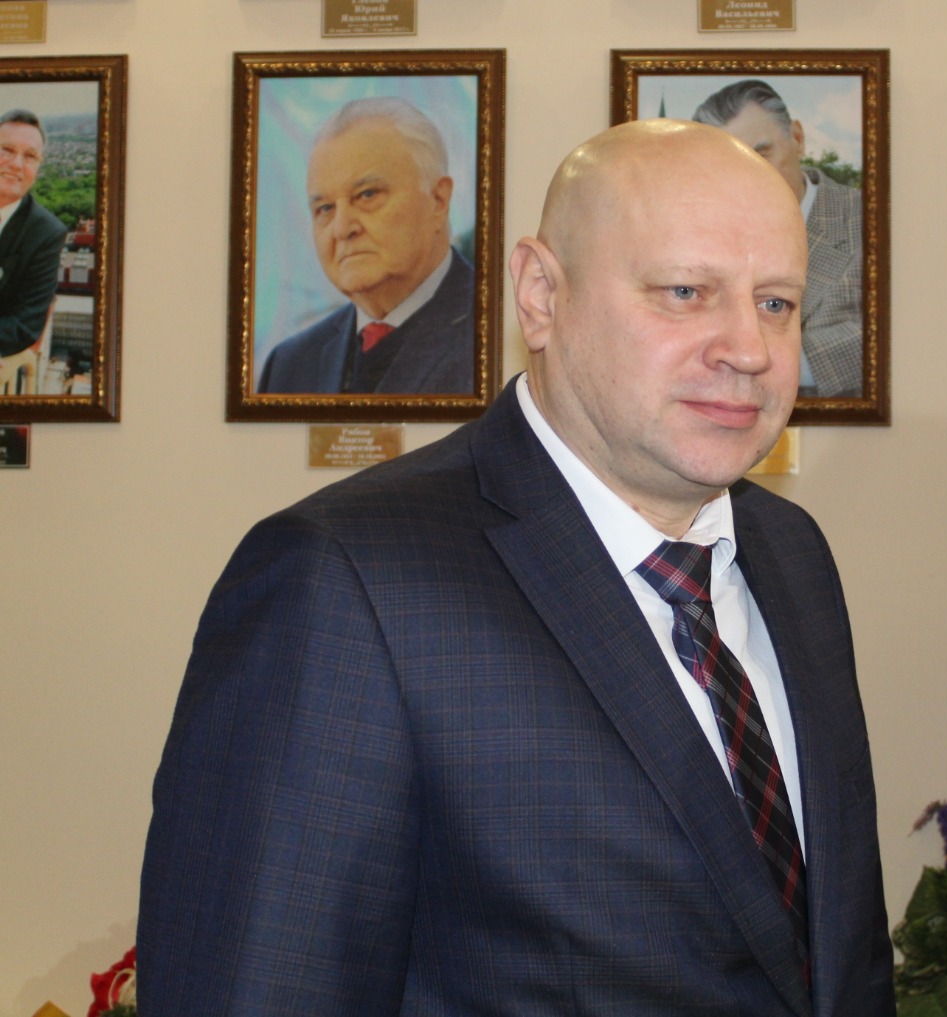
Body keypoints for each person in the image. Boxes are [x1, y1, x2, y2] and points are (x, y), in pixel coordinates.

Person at [139, 118, 894, 1016]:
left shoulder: (794, 554)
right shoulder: (346, 581)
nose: (749, 348)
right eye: (686, 291)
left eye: (776, 303)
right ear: (540, 295)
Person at [257, 97, 475, 395]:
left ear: (438, 200)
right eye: (325, 208)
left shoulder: (493, 333)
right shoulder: (290, 366)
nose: (342, 229)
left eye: (367, 195)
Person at [692, 79, 864, 399]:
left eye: (762, 155)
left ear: (797, 139)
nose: (748, 178)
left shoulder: (866, 220)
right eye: (727, 165)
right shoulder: (689, 234)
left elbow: (893, 338)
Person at [0, 109, 65, 391]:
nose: (16, 164)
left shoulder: (46, 233)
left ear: (38, 168)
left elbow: (26, 323)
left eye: (29, 156)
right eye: (6, 150)